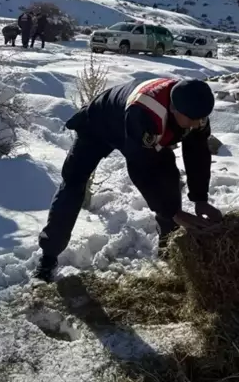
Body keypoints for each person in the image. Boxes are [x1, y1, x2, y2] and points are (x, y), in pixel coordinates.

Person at [34, 76, 223, 282]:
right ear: (174, 109)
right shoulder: (145, 112)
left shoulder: (195, 110)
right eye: (192, 120)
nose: (196, 124)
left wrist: (200, 199)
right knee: (73, 182)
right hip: (99, 125)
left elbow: (197, 152)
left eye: (200, 119)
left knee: (169, 180)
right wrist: (173, 212)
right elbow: (140, 167)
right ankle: (49, 255)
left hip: (140, 131)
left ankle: (169, 249)